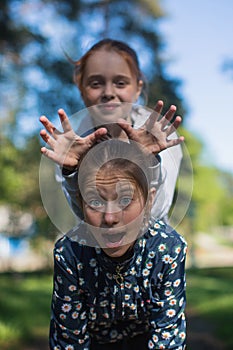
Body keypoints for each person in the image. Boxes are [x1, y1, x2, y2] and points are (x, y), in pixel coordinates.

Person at [49, 139, 187, 350]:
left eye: (125, 200)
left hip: (146, 338)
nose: (110, 218)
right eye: (95, 202)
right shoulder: (70, 254)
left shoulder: (167, 249)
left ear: (149, 201)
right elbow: (69, 339)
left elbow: (167, 338)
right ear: (80, 203)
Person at [39, 38, 184, 225]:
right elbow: (82, 215)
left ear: (138, 89)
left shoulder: (160, 135)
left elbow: (157, 211)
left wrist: (149, 160)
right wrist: (71, 172)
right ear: (81, 89)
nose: (108, 92)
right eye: (96, 83)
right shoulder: (72, 144)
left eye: (121, 83)